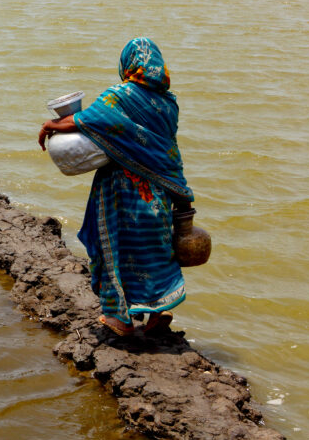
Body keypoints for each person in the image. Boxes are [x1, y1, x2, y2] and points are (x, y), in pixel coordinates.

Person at [38, 37, 193, 336]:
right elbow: (168, 150)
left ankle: (119, 319)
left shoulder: (120, 95)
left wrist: (52, 126)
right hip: (159, 194)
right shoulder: (169, 104)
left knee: (115, 251)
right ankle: (158, 314)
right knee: (155, 253)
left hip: (123, 194)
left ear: (127, 64)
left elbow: (90, 119)